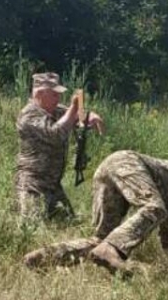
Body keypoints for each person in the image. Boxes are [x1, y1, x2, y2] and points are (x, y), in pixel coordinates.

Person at [22, 150, 168, 275]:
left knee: (101, 239)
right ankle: (110, 250)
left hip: (110, 168)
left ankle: (44, 257)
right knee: (154, 208)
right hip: (126, 163)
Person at [15, 72, 104, 220]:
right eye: (54, 94)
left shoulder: (54, 109)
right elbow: (56, 134)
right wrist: (74, 108)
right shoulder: (28, 115)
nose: (59, 98)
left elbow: (78, 116)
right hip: (33, 186)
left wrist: (91, 116)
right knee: (34, 229)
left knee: (70, 224)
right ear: (40, 93)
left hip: (53, 186)